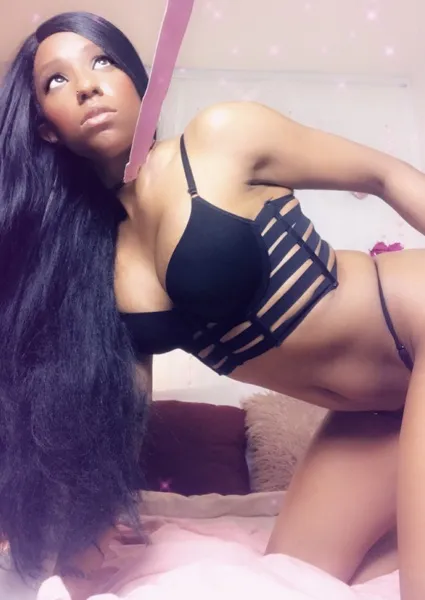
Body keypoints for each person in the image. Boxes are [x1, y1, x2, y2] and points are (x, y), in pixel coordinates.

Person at [2, 9, 425, 599]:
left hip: (417, 319)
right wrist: (87, 531)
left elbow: (384, 174)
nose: (87, 85)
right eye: (57, 80)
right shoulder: (91, 266)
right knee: (292, 577)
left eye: (103, 61)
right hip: (371, 410)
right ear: (46, 127)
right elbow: (123, 409)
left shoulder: (222, 136)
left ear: (137, 81)